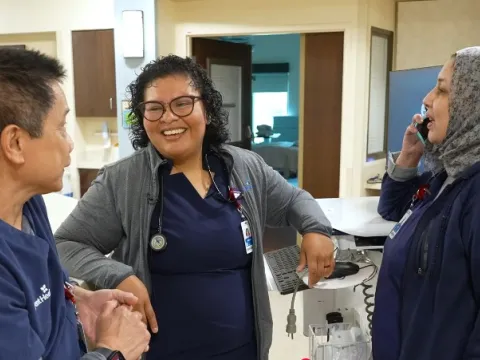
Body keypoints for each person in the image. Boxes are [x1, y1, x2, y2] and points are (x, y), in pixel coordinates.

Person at [55, 54, 335, 360]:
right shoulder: (123, 181)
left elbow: (295, 200)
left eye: (182, 103)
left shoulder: (243, 167)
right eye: (154, 108)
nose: (168, 117)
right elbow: (65, 245)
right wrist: (119, 275)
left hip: (243, 350)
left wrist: (315, 229)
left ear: (207, 109)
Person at [0, 48, 151, 360]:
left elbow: (46, 281)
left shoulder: (29, 204)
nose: (70, 143)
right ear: (15, 143)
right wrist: (114, 351)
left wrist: (77, 298)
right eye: (61, 127)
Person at [372, 46, 480, 360]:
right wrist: (410, 155)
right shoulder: (447, 175)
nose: (428, 99)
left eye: (443, 90)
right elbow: (391, 209)